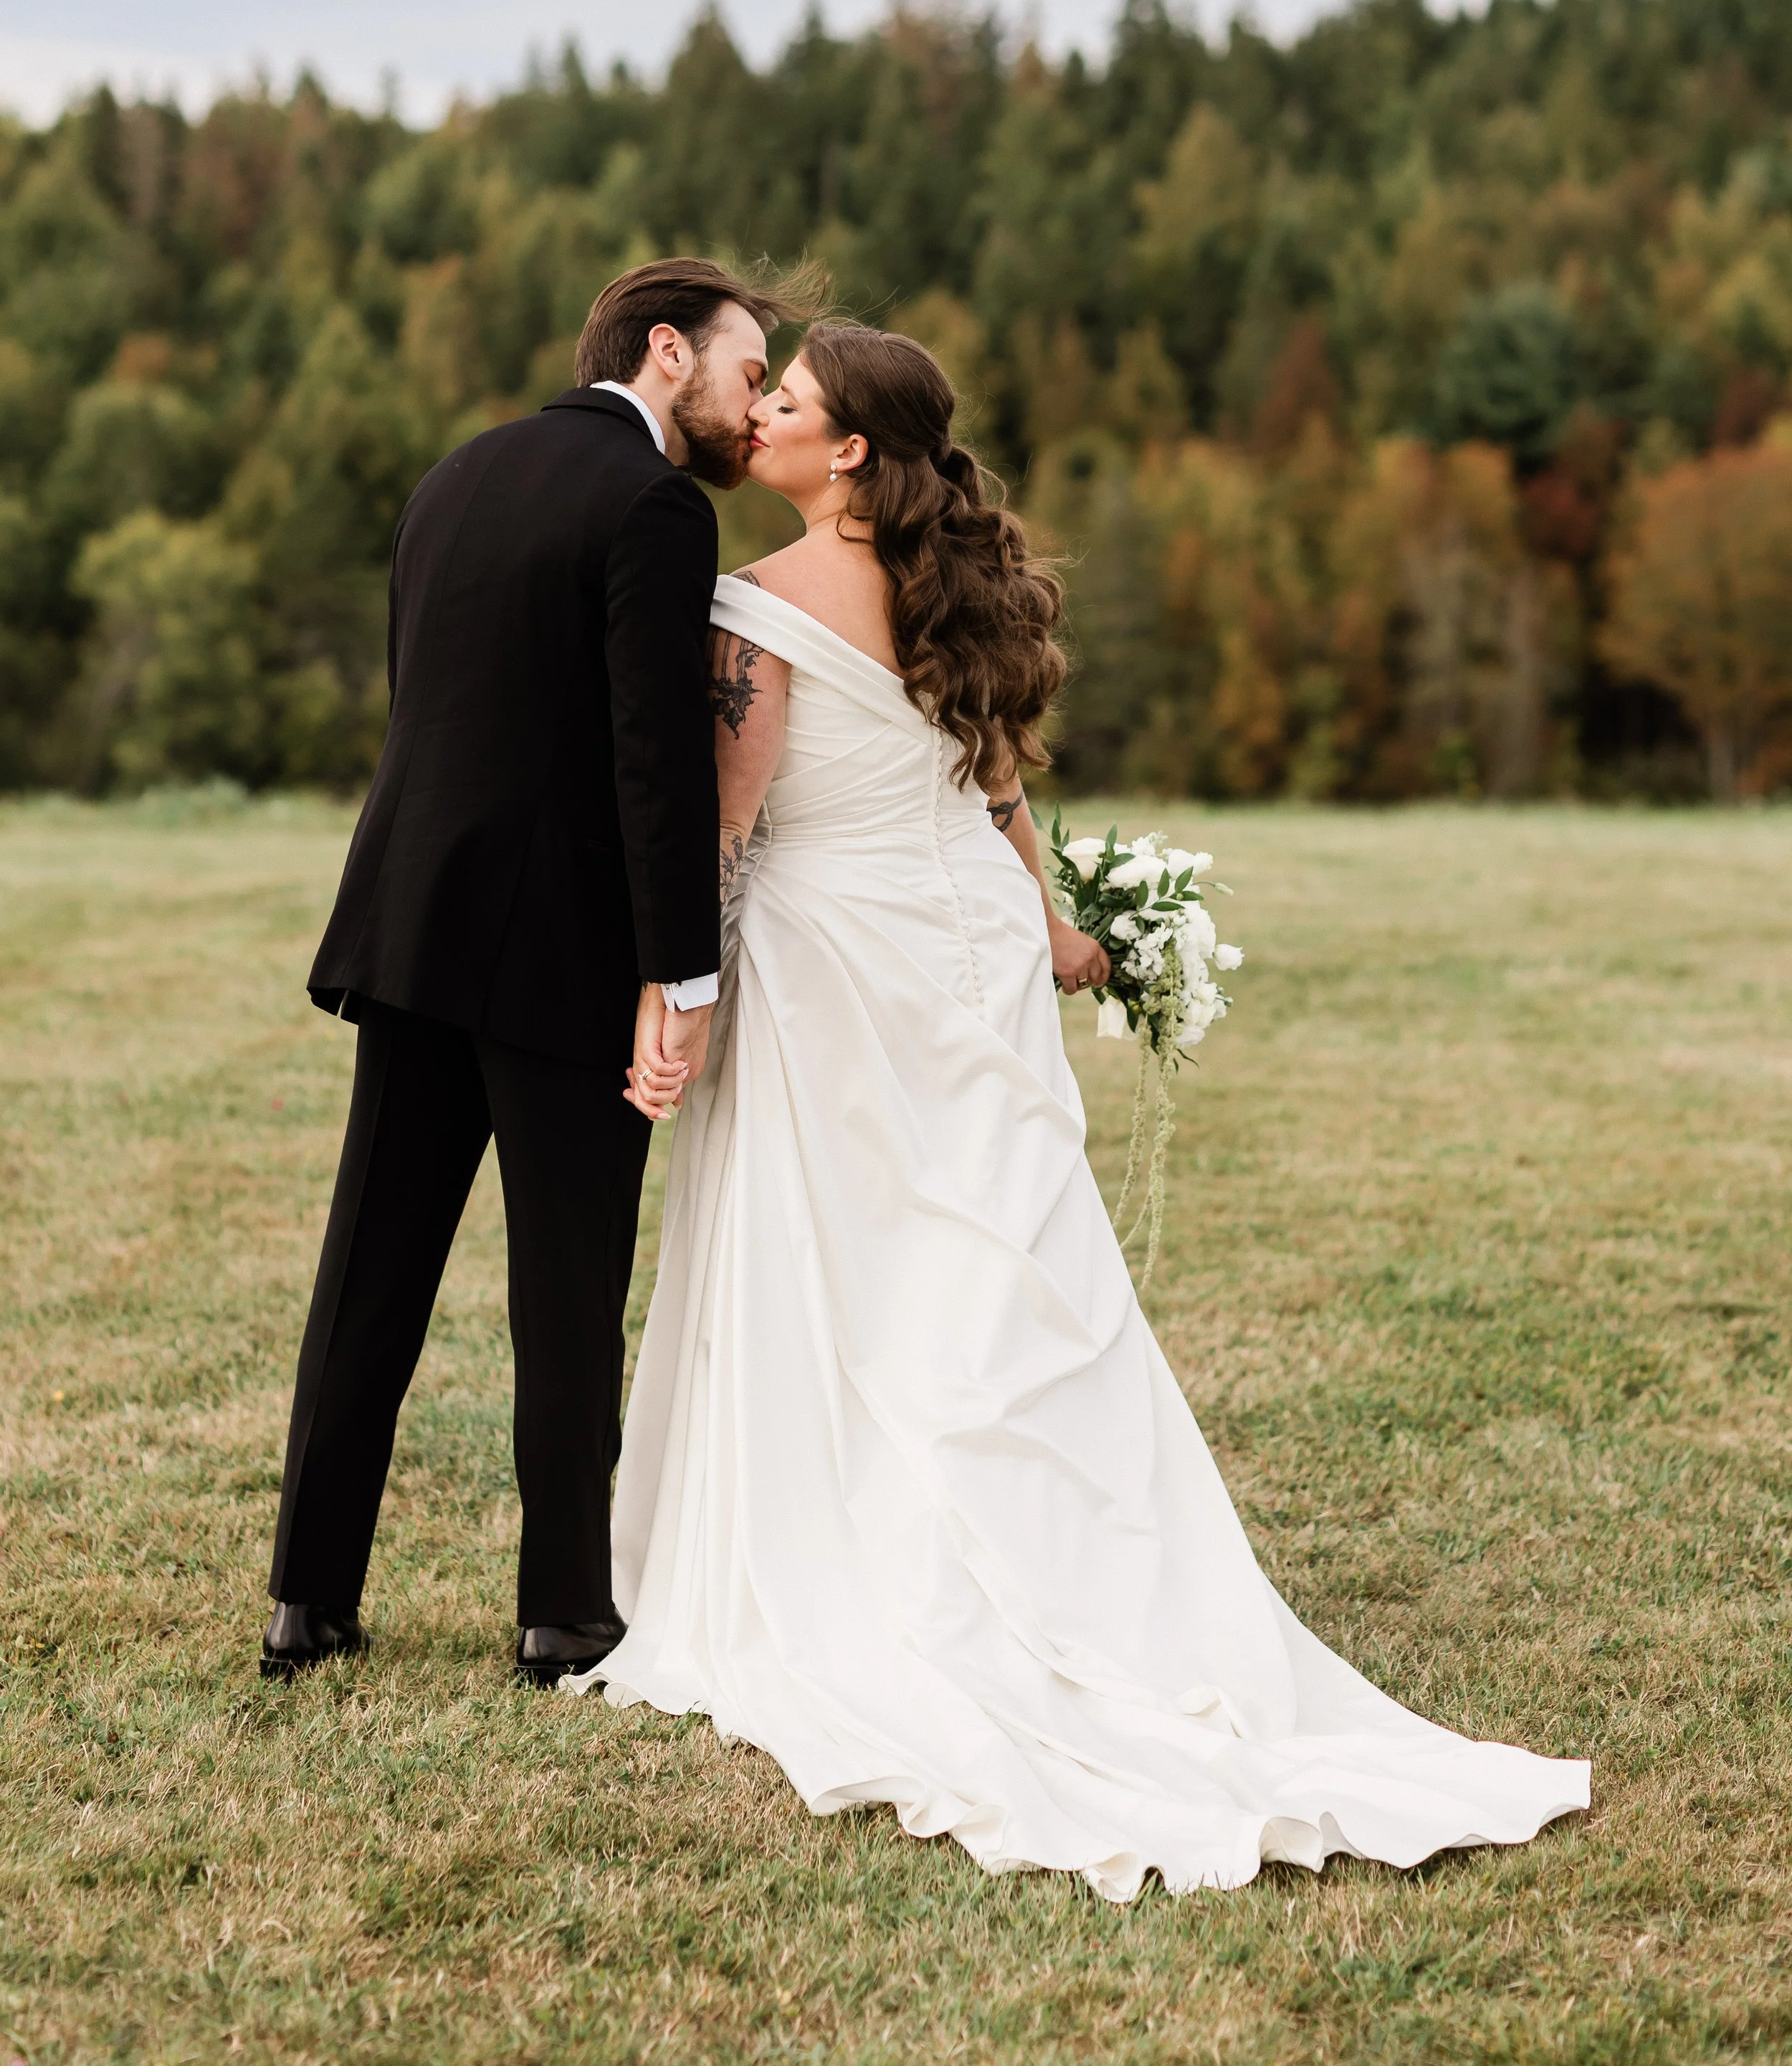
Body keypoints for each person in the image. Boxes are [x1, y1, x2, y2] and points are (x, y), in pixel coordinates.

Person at [572, 321, 1591, 1899]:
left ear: (843, 452)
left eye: (785, 402)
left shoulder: (754, 606)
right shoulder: (949, 586)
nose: (756, 414)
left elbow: (728, 816)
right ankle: (1074, 1559)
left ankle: (881, 1565)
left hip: (839, 961)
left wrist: (673, 993)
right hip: (965, 952)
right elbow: (994, 783)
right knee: (996, 1263)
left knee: (845, 1261)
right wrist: (1044, 928)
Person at [262, 257, 802, 1687]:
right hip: (558, 955)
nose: (757, 410)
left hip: (410, 928)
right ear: (669, 353)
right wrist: (675, 975)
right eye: (751, 374)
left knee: (366, 1277)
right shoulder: (650, 506)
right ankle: (562, 1610)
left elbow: (430, 705)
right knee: (565, 1293)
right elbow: (655, 762)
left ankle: (304, 1602)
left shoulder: (456, 474)